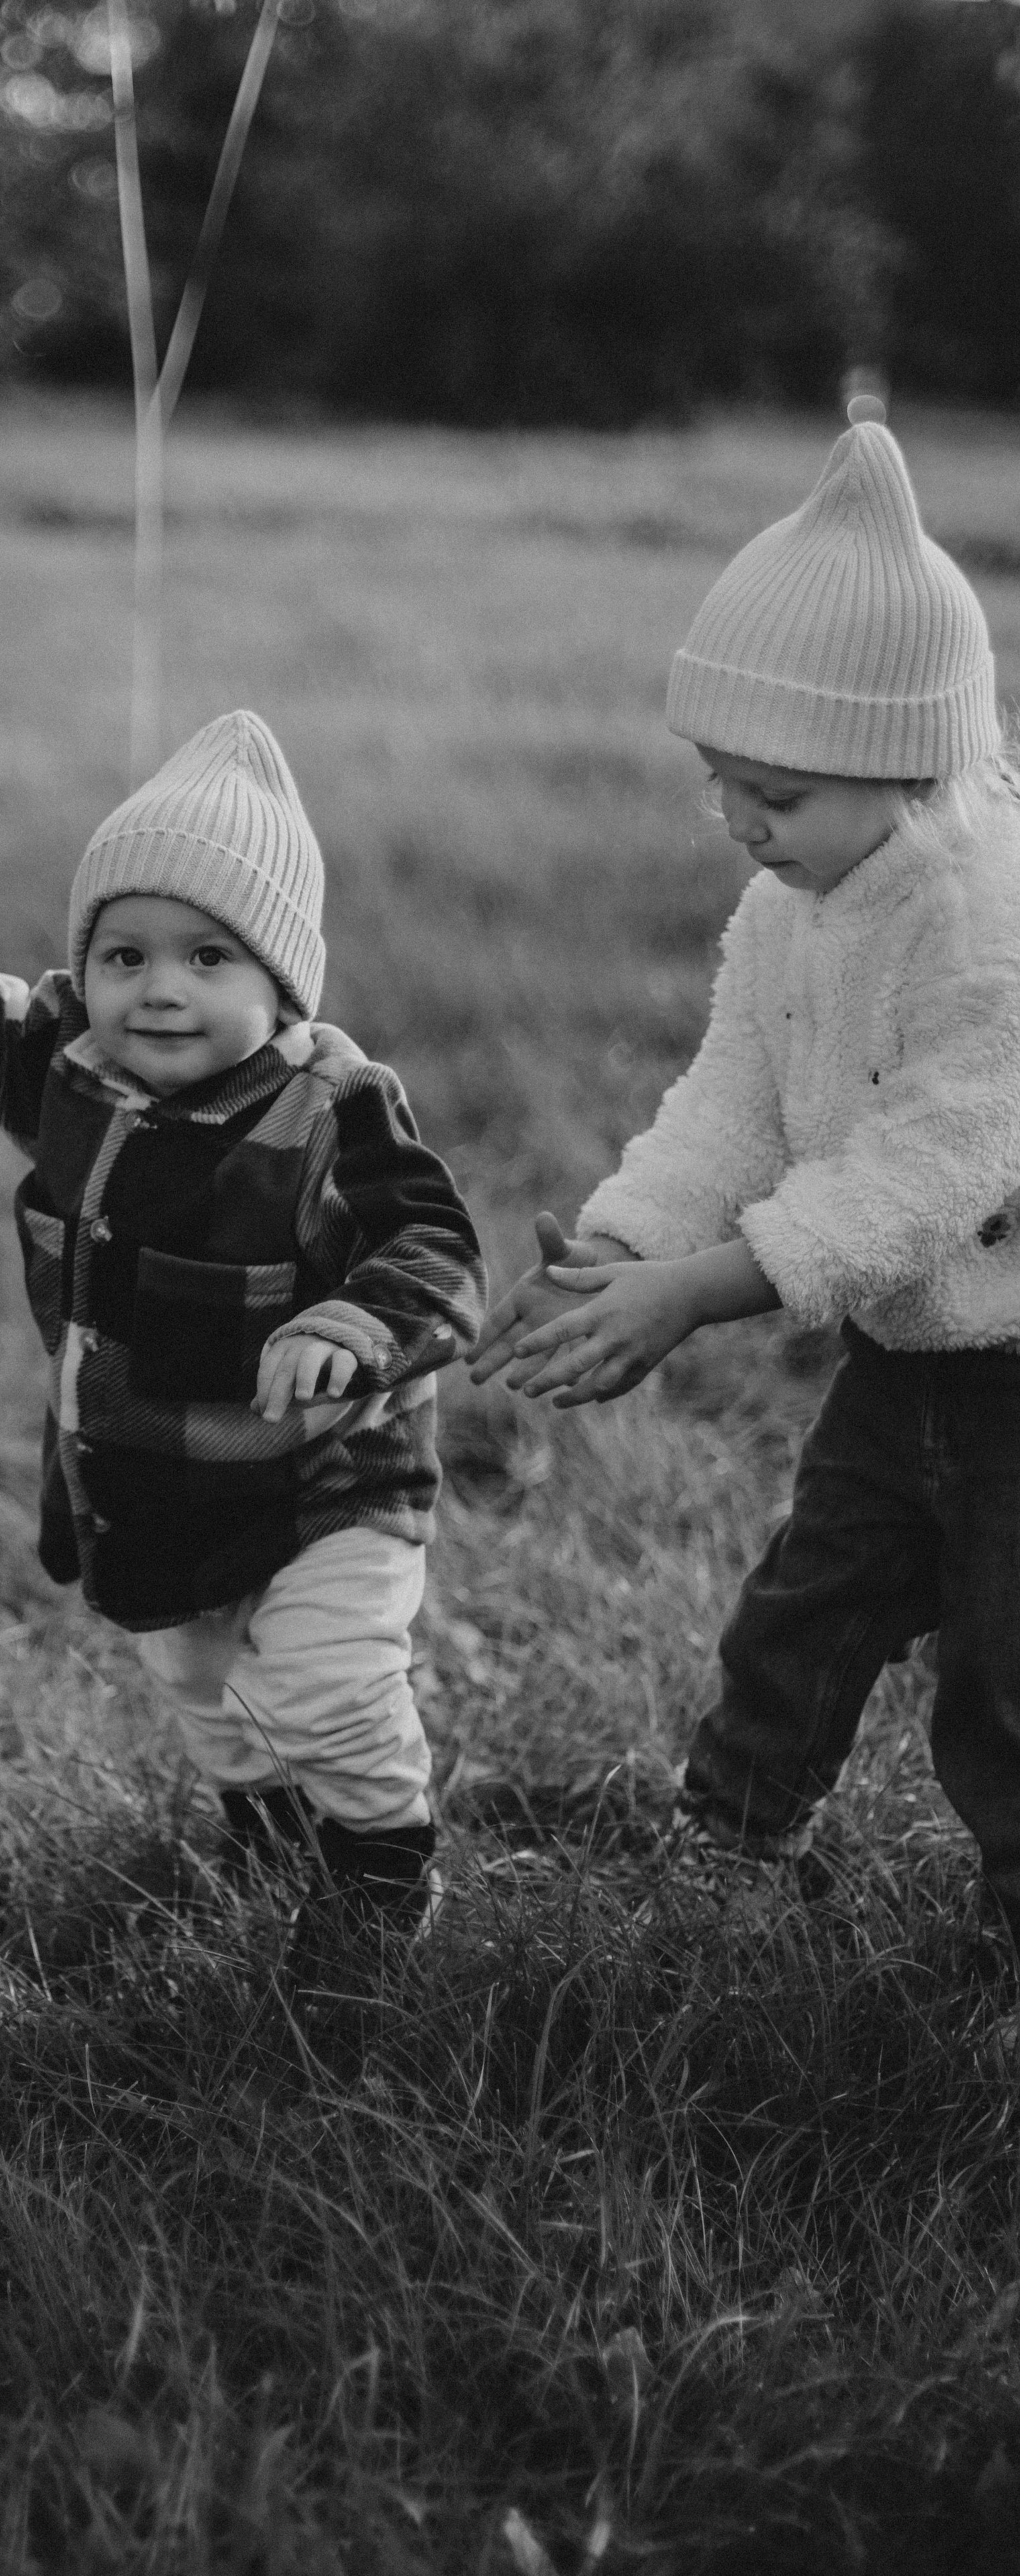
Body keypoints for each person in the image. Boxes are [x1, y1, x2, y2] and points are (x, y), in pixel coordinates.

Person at [0, 710, 485, 1964]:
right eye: (123, 955)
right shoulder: (72, 1069)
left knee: (330, 1690)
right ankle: (270, 1836)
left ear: (281, 980)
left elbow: (440, 1248)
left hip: (328, 1480)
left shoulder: (329, 1104)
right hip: (155, 1475)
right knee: (209, 1697)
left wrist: (354, 1320)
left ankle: (381, 1883)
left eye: (207, 958)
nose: (157, 987)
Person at [469, 402, 1020, 1926]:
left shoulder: (987, 925)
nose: (734, 822)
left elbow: (934, 1169)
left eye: (770, 795)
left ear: (904, 767)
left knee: (1002, 1669)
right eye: (717, 779)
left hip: (1012, 1377)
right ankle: (734, 1842)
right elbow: (733, 1093)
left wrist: (708, 1290)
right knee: (805, 1604)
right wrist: (627, 1244)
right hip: (900, 1363)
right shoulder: (792, 902)